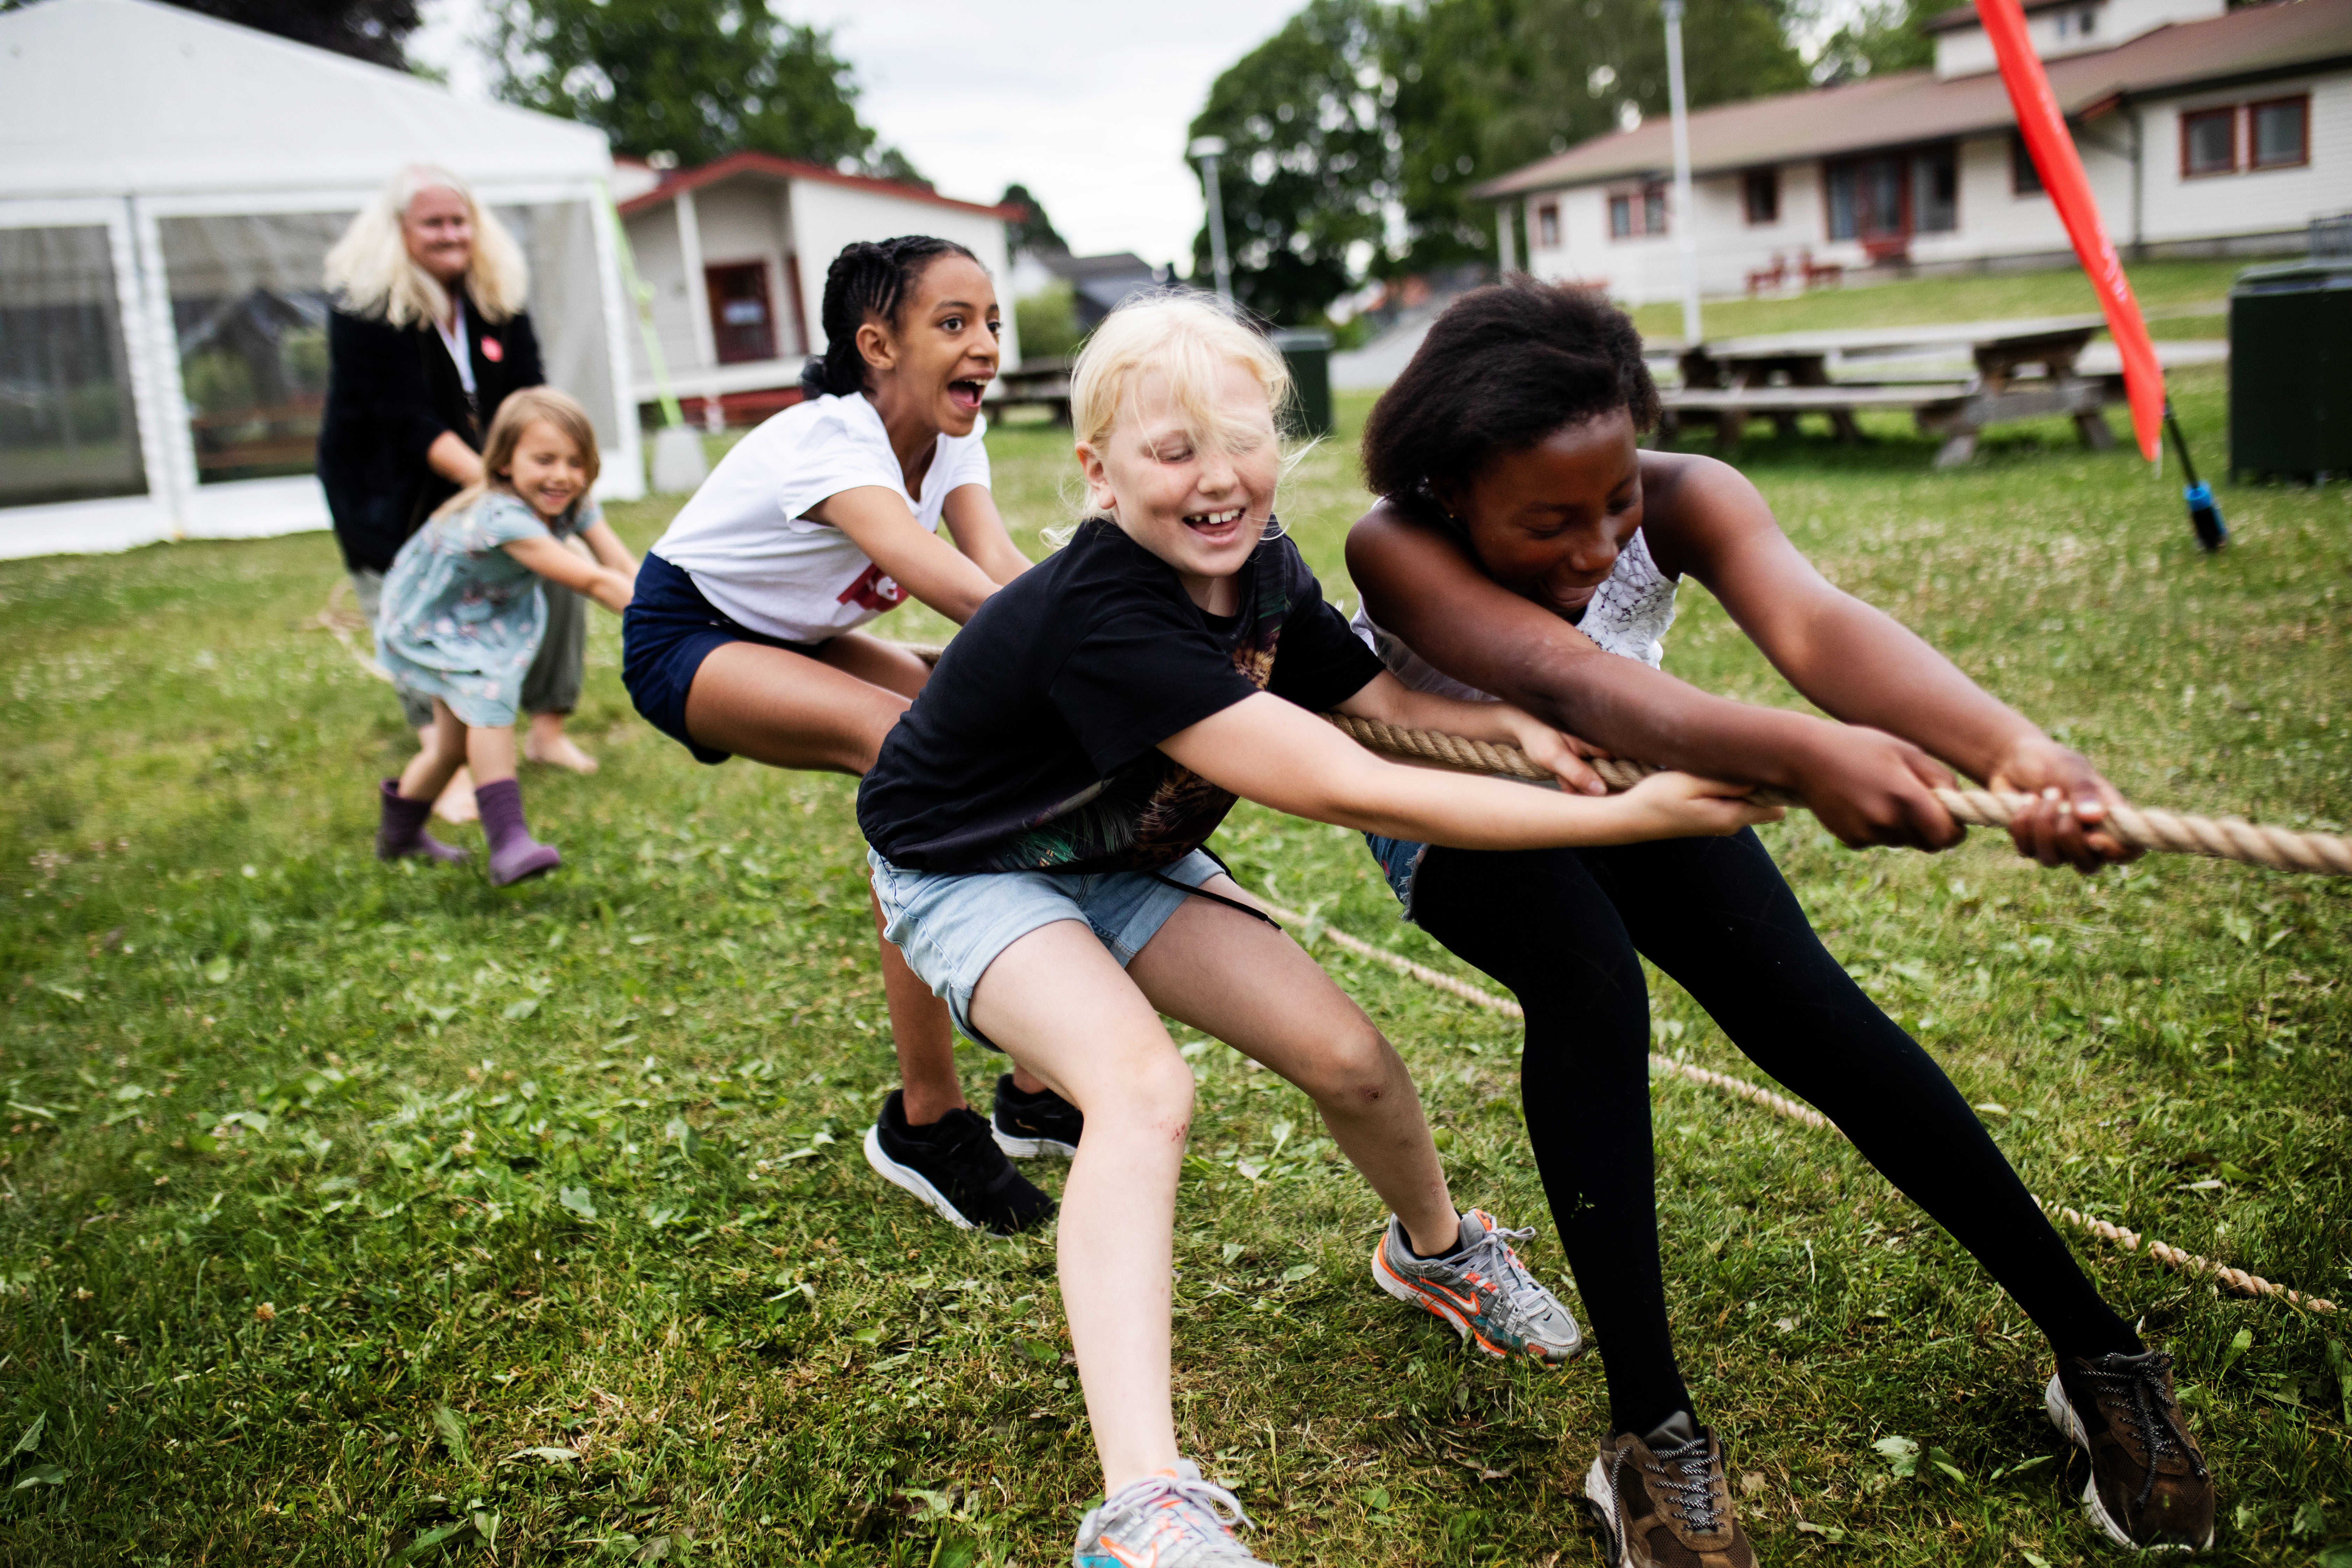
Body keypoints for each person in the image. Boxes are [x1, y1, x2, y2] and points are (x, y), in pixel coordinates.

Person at [855, 294, 1778, 1568]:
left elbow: (1376, 703)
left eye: (1242, 442)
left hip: (1124, 856)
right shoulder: (1106, 611)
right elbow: (1344, 781)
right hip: (966, 872)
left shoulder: (1263, 567)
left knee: (1351, 1060)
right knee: (1141, 1090)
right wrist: (1638, 817)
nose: (1217, 479)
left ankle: (1437, 1255)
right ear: (1099, 470)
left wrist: (1513, 728)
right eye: (1172, 453)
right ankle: (1143, 1509)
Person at [1343, 278, 2215, 1564]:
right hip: (1462, 809)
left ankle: (2096, 1350)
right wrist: (1808, 755)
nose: (1596, 545)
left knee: (1809, 1006)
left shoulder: (1690, 494)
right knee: (1590, 982)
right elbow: (1566, 678)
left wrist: (2019, 749)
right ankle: (1648, 1434)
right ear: (1453, 489)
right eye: (1550, 522)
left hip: (1645, 770)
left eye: (1617, 499)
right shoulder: (1392, 542)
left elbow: (1816, 622)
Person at [623, 236, 1076, 1237]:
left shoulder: (956, 437)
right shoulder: (835, 439)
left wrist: (1091, 627)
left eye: (992, 322)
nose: (986, 345)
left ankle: (1036, 1091)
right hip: (687, 636)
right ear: (877, 343)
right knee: (907, 751)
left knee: (987, 742)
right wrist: (1088, 648)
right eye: (953, 324)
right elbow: (941, 577)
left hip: (802, 635)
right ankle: (927, 1120)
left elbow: (993, 558)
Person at [320, 164, 602, 825]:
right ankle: (441, 760)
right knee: (419, 613)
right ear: (399, 232)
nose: (451, 234)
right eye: (434, 223)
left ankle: (549, 729)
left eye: (460, 220)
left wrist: (535, 484)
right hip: (391, 495)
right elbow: (408, 421)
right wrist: (503, 490)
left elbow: (534, 393)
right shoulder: (366, 310)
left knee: (556, 577)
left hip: (501, 479)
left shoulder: (497, 300)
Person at [374, 389, 636, 886]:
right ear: (504, 465)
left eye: (576, 462)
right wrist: (666, 624)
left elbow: (619, 565)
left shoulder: (570, 502)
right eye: (544, 460)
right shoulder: (503, 516)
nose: (562, 475)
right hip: (431, 620)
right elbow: (594, 581)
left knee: (450, 747)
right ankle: (509, 842)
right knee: (489, 697)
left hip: (479, 617)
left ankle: (399, 838)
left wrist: (672, 606)